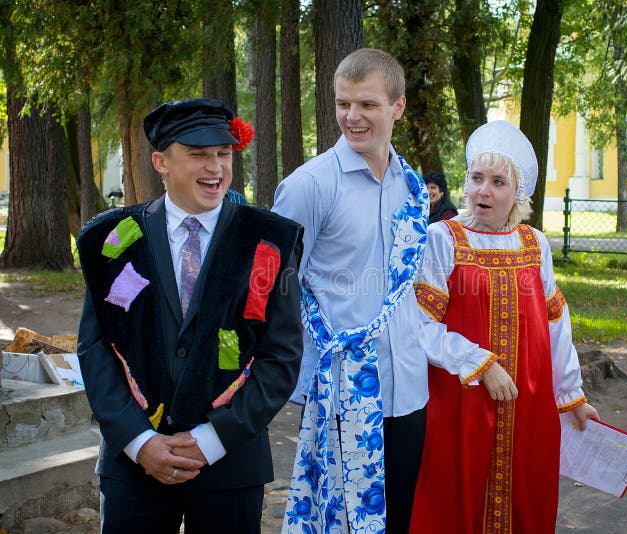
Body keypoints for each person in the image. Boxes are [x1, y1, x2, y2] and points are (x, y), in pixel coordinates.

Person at [273, 48, 513, 533]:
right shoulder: (309, 186)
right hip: (344, 392)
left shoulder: (412, 188)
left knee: (398, 518)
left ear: (397, 108)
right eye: (343, 104)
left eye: (367, 105)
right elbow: (274, 288)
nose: (352, 117)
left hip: (408, 390)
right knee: (340, 523)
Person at [76, 97, 303, 533]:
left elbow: (282, 357)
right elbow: (96, 347)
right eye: (198, 155)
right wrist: (140, 442)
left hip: (229, 465)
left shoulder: (271, 240)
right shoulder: (112, 241)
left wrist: (213, 439)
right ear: (161, 161)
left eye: (223, 153)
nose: (215, 168)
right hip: (134, 465)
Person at [409, 120, 599, 533]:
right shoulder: (443, 239)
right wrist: (479, 362)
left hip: (527, 404)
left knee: (525, 499)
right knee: (453, 499)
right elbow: (420, 325)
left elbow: (555, 324)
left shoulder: (535, 244)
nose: (483, 191)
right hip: (460, 401)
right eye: (477, 179)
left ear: (518, 193)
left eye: (498, 182)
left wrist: (571, 395)